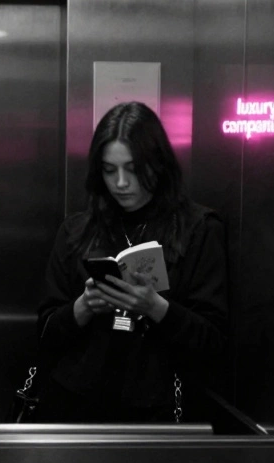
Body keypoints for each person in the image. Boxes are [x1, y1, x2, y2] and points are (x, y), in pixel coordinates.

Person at [35, 102, 227, 423]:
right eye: (109, 171)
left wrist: (156, 307)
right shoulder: (77, 231)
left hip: (160, 407)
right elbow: (45, 332)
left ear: (159, 164)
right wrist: (83, 307)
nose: (121, 183)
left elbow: (214, 341)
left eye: (134, 169)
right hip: (78, 404)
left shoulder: (198, 229)